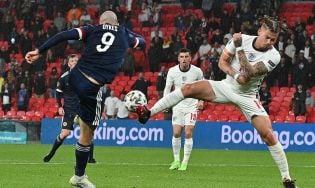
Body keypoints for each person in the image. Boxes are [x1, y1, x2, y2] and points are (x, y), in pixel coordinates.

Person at [135, 16, 296, 188]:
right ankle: (148, 113)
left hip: (248, 96)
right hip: (226, 86)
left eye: (274, 39)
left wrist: (239, 47)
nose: (270, 42)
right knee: (188, 89)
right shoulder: (242, 40)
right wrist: (234, 75)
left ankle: (286, 179)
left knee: (268, 134)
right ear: (260, 31)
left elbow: (248, 72)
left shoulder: (274, 55)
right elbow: (222, 62)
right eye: (268, 37)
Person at [25, 10, 145, 188]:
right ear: (117, 23)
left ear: (101, 21)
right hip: (91, 87)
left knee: (84, 127)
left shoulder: (92, 29)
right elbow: (142, 42)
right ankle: (78, 177)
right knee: (88, 133)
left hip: (74, 78)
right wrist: (129, 34)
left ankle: (78, 171)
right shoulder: (124, 34)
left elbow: (64, 35)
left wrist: (39, 51)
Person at [43, 54, 96, 164]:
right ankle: (51, 153)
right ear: (69, 64)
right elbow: (58, 93)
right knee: (65, 133)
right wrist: (59, 106)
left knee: (88, 133)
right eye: (72, 61)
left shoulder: (85, 77)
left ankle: (90, 158)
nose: (75, 62)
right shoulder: (64, 77)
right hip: (69, 110)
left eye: (76, 60)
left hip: (82, 109)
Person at [165, 48, 204, 171]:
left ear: (190, 58)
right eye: (182, 57)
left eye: (186, 57)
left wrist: (202, 100)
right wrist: (165, 103)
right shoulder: (172, 71)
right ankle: (176, 160)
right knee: (176, 132)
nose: (184, 59)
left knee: (188, 132)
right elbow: (167, 89)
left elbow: (203, 87)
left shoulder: (197, 71)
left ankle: (184, 162)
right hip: (177, 106)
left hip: (192, 106)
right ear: (178, 59)